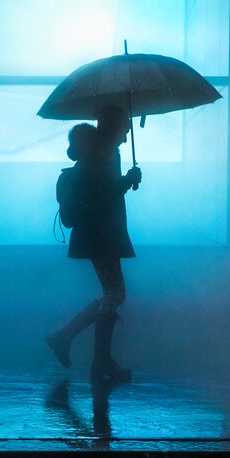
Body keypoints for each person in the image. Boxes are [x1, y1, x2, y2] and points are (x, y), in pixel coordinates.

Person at [46, 106, 142, 384]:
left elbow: (101, 190)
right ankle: (97, 358)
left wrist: (125, 181)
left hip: (97, 233)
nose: (126, 135)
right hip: (101, 234)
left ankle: (69, 341)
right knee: (115, 293)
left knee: (113, 293)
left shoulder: (99, 151)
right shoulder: (104, 154)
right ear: (114, 127)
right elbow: (103, 192)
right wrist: (127, 181)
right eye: (125, 128)